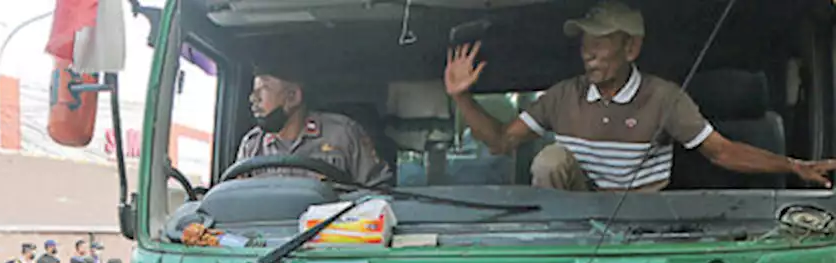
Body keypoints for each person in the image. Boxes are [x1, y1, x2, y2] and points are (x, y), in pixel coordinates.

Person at [445, 1, 836, 191]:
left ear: (631, 48)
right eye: (584, 41)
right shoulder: (562, 96)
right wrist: (462, 98)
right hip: (569, 230)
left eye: (600, 41)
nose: (587, 51)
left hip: (646, 225)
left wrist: (792, 166)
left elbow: (722, 152)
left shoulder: (664, 98)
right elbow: (500, 143)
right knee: (551, 158)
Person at [237, 68, 393, 189]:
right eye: (254, 91)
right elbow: (235, 201)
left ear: (293, 97)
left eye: (263, 89)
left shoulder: (342, 134)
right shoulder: (252, 145)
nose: (253, 98)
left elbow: (378, 193)